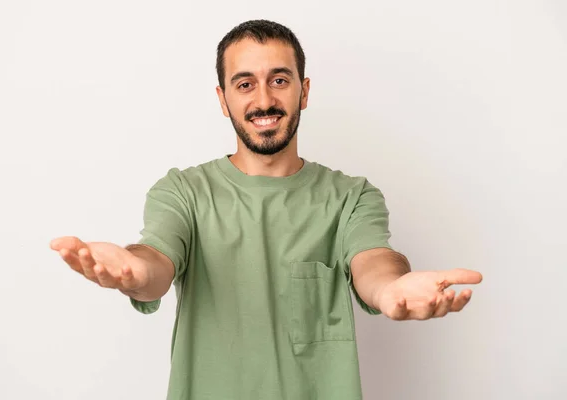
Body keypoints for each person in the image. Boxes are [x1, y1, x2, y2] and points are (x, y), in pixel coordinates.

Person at [50, 19, 483, 400]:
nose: (263, 99)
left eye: (279, 79)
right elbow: (156, 263)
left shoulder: (351, 196)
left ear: (303, 90)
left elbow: (373, 261)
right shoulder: (183, 192)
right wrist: (133, 271)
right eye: (244, 83)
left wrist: (392, 288)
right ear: (223, 100)